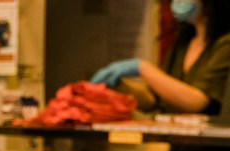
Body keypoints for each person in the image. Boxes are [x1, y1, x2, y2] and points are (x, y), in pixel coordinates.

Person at [91, 0, 230, 114]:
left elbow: (197, 102)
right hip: (176, 144)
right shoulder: (183, 42)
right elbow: (154, 100)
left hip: (210, 146)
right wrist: (118, 86)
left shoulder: (225, 44)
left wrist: (141, 68)